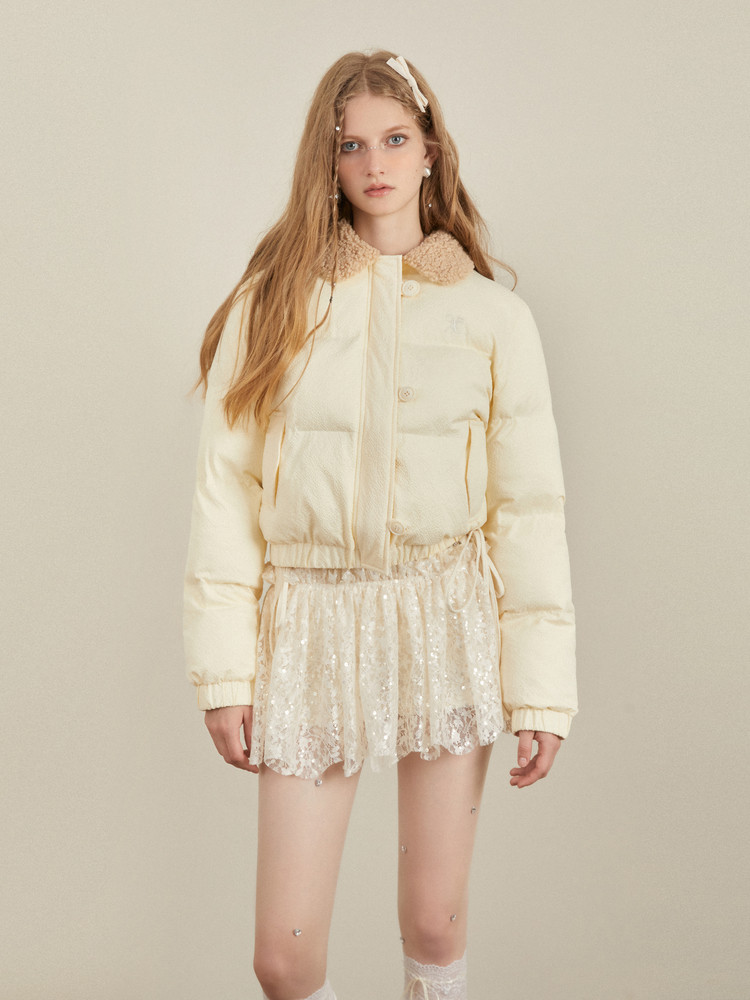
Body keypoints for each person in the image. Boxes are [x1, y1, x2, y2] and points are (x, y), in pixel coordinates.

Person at [183, 50, 578, 1000]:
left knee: (435, 920)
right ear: (327, 162)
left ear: (431, 149)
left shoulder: (493, 317)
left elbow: (527, 511)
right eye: (351, 145)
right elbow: (224, 493)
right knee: (283, 957)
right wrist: (224, 672)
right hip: (310, 624)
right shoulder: (274, 304)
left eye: (395, 139)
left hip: (445, 616)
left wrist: (542, 692)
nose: (375, 163)